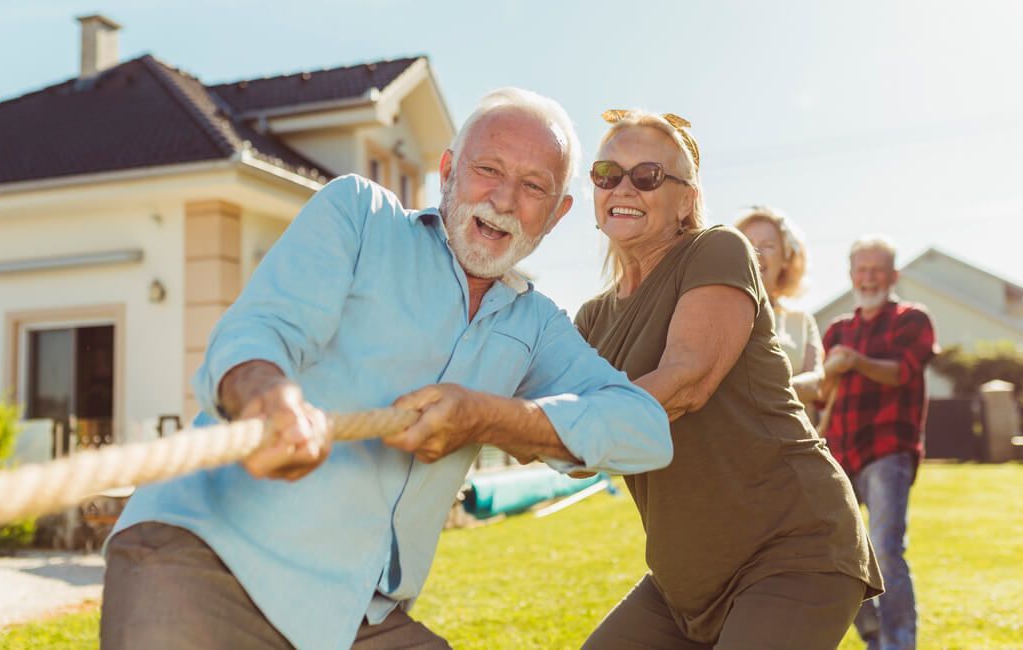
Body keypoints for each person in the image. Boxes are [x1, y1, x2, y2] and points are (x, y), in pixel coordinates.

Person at [100, 89, 673, 650]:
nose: (502, 200)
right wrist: (268, 397)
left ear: (557, 213)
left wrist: (492, 419)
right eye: (488, 170)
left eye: (532, 187)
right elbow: (261, 330)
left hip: (358, 617)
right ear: (447, 170)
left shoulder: (537, 326)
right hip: (205, 559)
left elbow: (644, 430)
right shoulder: (360, 215)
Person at [576, 109, 881, 650]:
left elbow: (685, 380)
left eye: (647, 175)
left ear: (687, 199)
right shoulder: (591, 320)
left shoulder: (716, 249)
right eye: (607, 173)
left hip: (793, 548)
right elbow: (574, 450)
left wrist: (558, 426)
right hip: (683, 580)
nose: (623, 186)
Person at [820, 235, 938, 650]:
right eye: (861, 269)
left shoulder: (912, 319)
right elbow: (821, 393)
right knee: (830, 551)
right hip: (839, 454)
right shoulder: (836, 330)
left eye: (877, 270)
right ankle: (871, 632)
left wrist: (856, 362)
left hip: (888, 451)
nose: (868, 278)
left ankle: (898, 643)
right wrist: (832, 371)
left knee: (886, 550)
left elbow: (904, 373)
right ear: (852, 274)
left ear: (893, 275)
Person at [736, 206, 825, 420]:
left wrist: (767, 393)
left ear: (786, 258)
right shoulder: (722, 313)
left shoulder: (802, 321)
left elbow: (816, 381)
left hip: (795, 439)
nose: (757, 253)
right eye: (749, 244)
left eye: (769, 246)